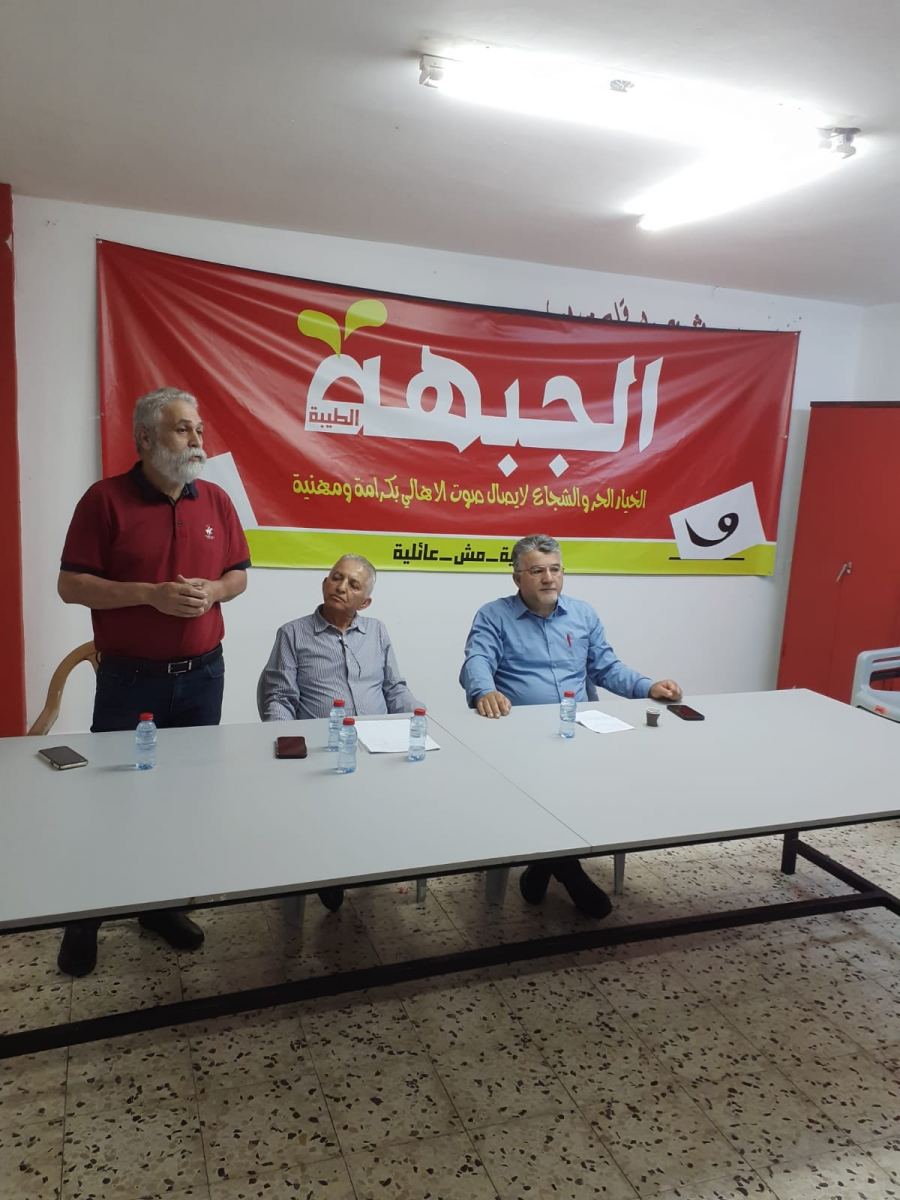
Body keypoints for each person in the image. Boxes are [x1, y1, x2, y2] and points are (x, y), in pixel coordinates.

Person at [55, 386, 251, 976]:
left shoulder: (215, 499)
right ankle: (84, 919)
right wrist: (150, 595)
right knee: (112, 803)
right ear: (145, 438)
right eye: (182, 429)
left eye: (198, 429)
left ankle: (158, 906)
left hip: (203, 676)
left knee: (182, 801)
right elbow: (71, 585)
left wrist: (214, 591)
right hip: (130, 680)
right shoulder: (104, 501)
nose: (197, 440)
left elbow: (239, 574)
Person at [459, 533, 682, 918]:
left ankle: (542, 868)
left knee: (606, 790)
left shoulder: (583, 615)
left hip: (580, 733)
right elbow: (476, 660)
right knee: (540, 795)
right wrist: (484, 690)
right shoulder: (493, 615)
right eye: (537, 571)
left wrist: (647, 686)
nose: (549, 578)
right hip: (520, 740)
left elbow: (606, 668)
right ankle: (572, 876)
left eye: (555, 569)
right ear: (517, 577)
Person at [260, 553, 420, 911]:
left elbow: (395, 688)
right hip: (324, 748)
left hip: (377, 745)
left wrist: (421, 719)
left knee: (387, 807)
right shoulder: (293, 633)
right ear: (324, 583)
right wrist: (283, 743)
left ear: (365, 602)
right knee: (326, 816)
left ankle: (362, 862)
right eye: (336, 577)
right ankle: (328, 872)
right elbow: (280, 697)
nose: (341, 587)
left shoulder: (377, 631)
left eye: (353, 584)